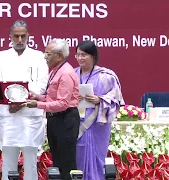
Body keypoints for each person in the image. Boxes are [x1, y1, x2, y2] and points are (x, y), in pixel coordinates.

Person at [0, 20, 48, 180]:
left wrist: (21, 101)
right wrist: (12, 101)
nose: (20, 40)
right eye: (16, 36)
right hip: (8, 114)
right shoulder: (1, 56)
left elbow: (42, 84)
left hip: (30, 114)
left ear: (28, 36)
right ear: (10, 36)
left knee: (30, 161)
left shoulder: (38, 56)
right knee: (8, 160)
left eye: (23, 36)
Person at [25, 39, 80, 180]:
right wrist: (38, 97)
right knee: (57, 160)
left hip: (65, 119)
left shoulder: (65, 73)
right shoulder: (55, 71)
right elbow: (53, 98)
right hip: (55, 119)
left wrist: (37, 105)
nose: (45, 57)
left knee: (66, 162)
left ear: (59, 56)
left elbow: (62, 103)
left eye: (48, 54)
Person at [74, 40, 124, 180]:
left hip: (97, 125)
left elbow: (116, 99)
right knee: (78, 157)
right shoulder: (71, 74)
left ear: (93, 56)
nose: (80, 58)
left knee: (96, 158)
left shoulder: (106, 76)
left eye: (84, 55)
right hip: (76, 123)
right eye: (78, 55)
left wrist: (99, 100)